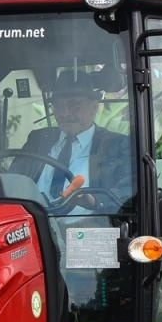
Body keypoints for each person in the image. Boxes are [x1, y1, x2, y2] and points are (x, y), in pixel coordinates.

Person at [16, 70, 133, 214]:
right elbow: (14, 180)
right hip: (31, 228)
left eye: (74, 105)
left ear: (94, 107)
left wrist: (94, 200)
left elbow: (129, 191)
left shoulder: (118, 145)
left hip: (93, 229)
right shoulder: (38, 140)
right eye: (58, 106)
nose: (64, 113)